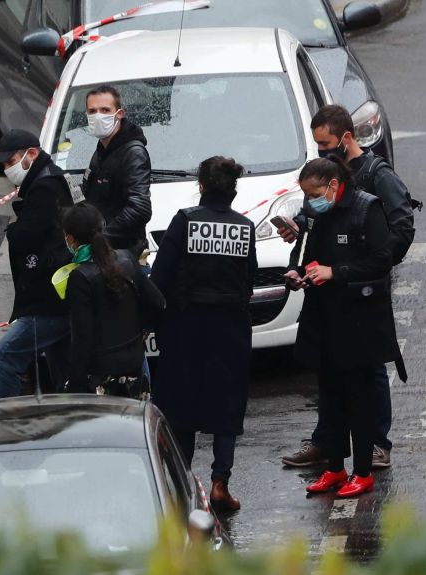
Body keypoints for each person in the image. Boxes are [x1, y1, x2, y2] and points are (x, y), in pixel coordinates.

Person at [278, 105, 418, 469]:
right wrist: (300, 231)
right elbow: (316, 223)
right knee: (330, 370)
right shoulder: (323, 178)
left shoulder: (376, 174)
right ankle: (328, 441)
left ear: (346, 138)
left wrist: (376, 265)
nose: (322, 151)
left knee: (368, 369)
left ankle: (376, 443)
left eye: (326, 144)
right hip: (329, 293)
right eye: (317, 145)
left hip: (362, 289)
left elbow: (400, 229)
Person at [285, 157, 404, 498]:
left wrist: (336, 273)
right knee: (330, 397)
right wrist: (299, 271)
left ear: (334, 185)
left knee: (359, 398)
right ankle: (334, 467)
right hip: (323, 318)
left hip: (359, 320)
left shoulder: (367, 209)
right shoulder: (316, 214)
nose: (311, 200)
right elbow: (305, 250)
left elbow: (382, 260)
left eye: (315, 192)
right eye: (306, 194)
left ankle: (362, 471)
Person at [150, 156, 257, 512]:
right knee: (226, 408)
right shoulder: (244, 226)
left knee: (182, 407)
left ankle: (182, 488)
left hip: (184, 328)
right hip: (230, 330)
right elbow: (249, 281)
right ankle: (219, 485)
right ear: (233, 190)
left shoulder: (184, 221)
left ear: (202, 186)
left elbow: (160, 277)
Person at [0, 129, 74, 400]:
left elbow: (29, 235)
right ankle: (66, 412)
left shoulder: (45, 186)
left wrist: (14, 231)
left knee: (7, 354)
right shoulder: (46, 180)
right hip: (56, 294)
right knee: (63, 367)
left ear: (31, 154)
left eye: (10, 162)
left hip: (48, 298)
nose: (7, 169)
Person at [60, 203, 164, 397]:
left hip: (100, 376)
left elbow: (82, 339)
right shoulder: (127, 259)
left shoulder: (80, 278)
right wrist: (143, 330)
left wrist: (75, 384)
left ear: (71, 239)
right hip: (133, 366)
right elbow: (158, 303)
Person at [81, 85, 152, 257]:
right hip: (105, 252)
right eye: (92, 111)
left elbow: (140, 208)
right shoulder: (102, 149)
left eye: (105, 110)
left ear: (119, 114)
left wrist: (101, 238)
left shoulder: (132, 153)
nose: (98, 116)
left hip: (123, 255)